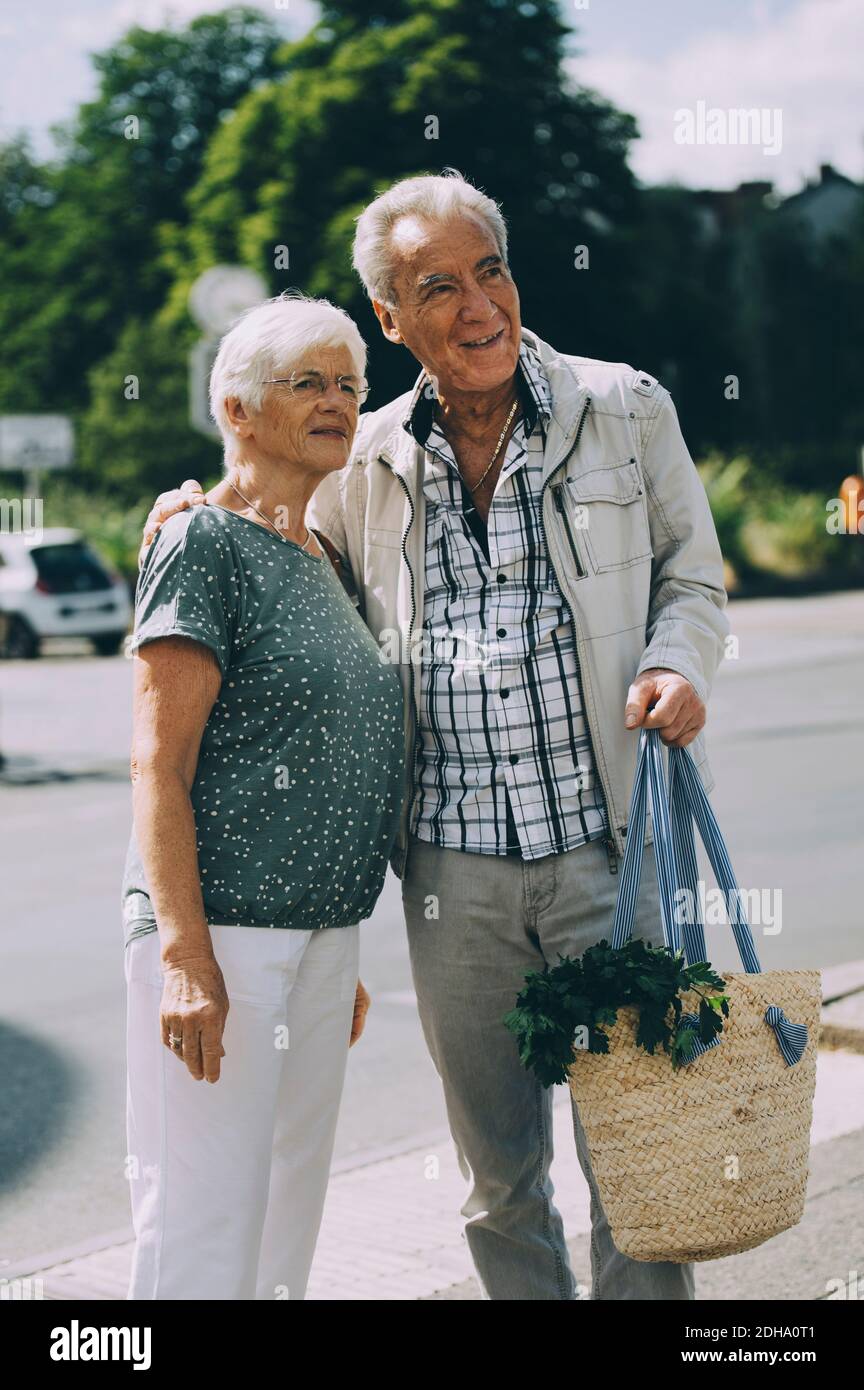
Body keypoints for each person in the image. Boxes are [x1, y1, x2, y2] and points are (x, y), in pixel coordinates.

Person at [143, 170, 729, 1301]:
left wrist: (676, 660)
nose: (477, 308)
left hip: (615, 850)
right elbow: (271, 537)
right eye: (436, 288)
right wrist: (191, 509)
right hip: (451, 880)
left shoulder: (626, 407)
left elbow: (693, 580)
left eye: (489, 272)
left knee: (641, 1166)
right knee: (497, 1182)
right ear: (391, 318)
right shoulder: (361, 459)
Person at [123, 293, 404, 1300]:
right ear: (237, 409)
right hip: (223, 936)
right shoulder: (202, 541)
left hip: (319, 941)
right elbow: (158, 765)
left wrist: (327, 937)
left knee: (286, 1227)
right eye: (309, 384)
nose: (339, 402)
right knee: (203, 1229)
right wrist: (184, 957)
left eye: (350, 384)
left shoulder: (323, 554)